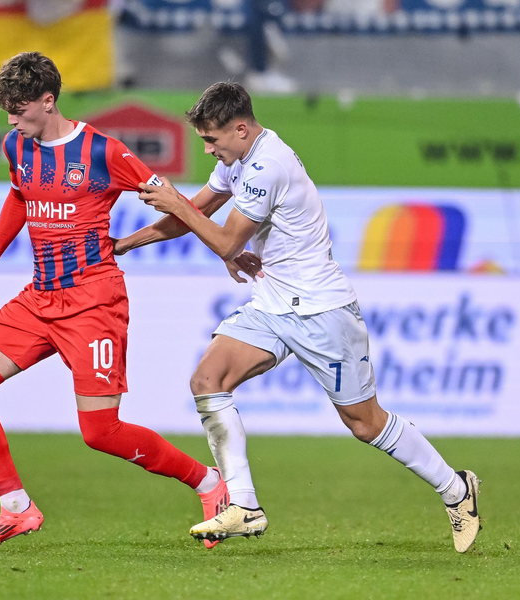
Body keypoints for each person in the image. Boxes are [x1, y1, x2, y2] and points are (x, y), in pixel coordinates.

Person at [115, 82, 481, 553]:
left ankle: (456, 488)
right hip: (271, 303)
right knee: (208, 379)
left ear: (240, 129)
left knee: (364, 423)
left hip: (321, 310)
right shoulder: (237, 160)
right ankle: (244, 505)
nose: (207, 149)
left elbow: (223, 239)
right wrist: (123, 244)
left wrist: (181, 207)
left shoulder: (268, 165)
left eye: (211, 139)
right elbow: (197, 211)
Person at [0, 52, 229, 551]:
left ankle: (209, 483)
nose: (11, 121)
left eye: (18, 110)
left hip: (94, 303)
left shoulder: (103, 152)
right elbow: (19, 197)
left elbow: (174, 201)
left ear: (47, 101)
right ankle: (16, 506)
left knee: (101, 432)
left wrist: (226, 249)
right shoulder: (17, 145)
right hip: (39, 298)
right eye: (6, 111)